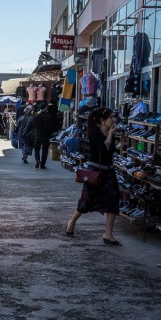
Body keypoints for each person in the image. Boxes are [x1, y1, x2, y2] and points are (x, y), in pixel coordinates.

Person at [66, 106, 121, 245]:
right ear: (103, 120)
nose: (113, 120)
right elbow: (103, 148)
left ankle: (108, 234)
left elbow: (111, 151)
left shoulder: (109, 131)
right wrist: (110, 135)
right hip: (95, 170)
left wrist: (111, 136)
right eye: (110, 117)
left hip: (109, 170)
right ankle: (71, 222)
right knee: (87, 200)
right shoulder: (94, 132)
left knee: (113, 200)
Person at [32, 103, 57, 169]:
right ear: (45, 108)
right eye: (47, 107)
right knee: (45, 150)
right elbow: (51, 127)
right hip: (46, 136)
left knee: (36, 149)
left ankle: (37, 160)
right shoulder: (49, 117)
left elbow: (33, 125)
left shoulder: (36, 116)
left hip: (37, 135)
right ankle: (42, 164)